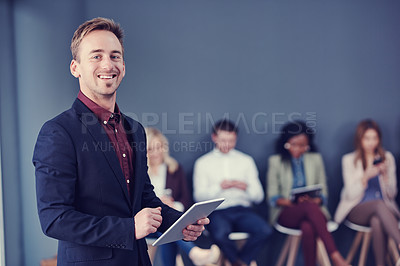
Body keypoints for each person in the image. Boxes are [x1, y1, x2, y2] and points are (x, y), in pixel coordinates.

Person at [33, 17, 208, 266]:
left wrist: (182, 222)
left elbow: (146, 200)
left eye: (115, 56)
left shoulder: (135, 130)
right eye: (96, 56)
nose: (108, 64)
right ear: (75, 68)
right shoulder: (58, 132)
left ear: (123, 67)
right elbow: (54, 219)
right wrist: (128, 229)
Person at [267, 121, 347, 266]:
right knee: (308, 208)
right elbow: (272, 196)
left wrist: (316, 200)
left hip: (313, 209)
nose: (298, 149)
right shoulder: (276, 161)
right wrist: (291, 202)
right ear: (286, 143)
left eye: (303, 145)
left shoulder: (315, 159)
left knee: (308, 227)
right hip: (286, 211)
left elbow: (323, 191)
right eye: (294, 144)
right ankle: (335, 256)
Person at [193, 119, 272, 266]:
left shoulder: (246, 161)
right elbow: (199, 197)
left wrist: (245, 187)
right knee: (219, 234)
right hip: (217, 211)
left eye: (231, 140)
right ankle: (237, 262)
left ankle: (240, 261)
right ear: (214, 137)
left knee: (265, 230)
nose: (227, 144)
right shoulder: (203, 163)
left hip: (243, 210)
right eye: (223, 140)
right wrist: (220, 186)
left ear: (236, 138)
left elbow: (259, 197)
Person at [145, 127, 220, 266]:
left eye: (158, 147)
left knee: (169, 229)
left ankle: (193, 254)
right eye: (150, 149)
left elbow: (185, 200)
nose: (156, 153)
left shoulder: (174, 168)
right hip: (148, 223)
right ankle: (195, 253)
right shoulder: (141, 172)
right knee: (169, 228)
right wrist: (158, 203)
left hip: (168, 219)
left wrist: (172, 206)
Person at [335, 119, 400, 266]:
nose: (371, 143)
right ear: (360, 139)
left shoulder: (387, 158)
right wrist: (365, 177)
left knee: (376, 220)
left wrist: (385, 177)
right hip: (357, 209)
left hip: (385, 211)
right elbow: (350, 194)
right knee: (378, 205)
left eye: (374, 138)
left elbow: (392, 194)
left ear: (379, 139)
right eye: (367, 138)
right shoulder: (349, 160)